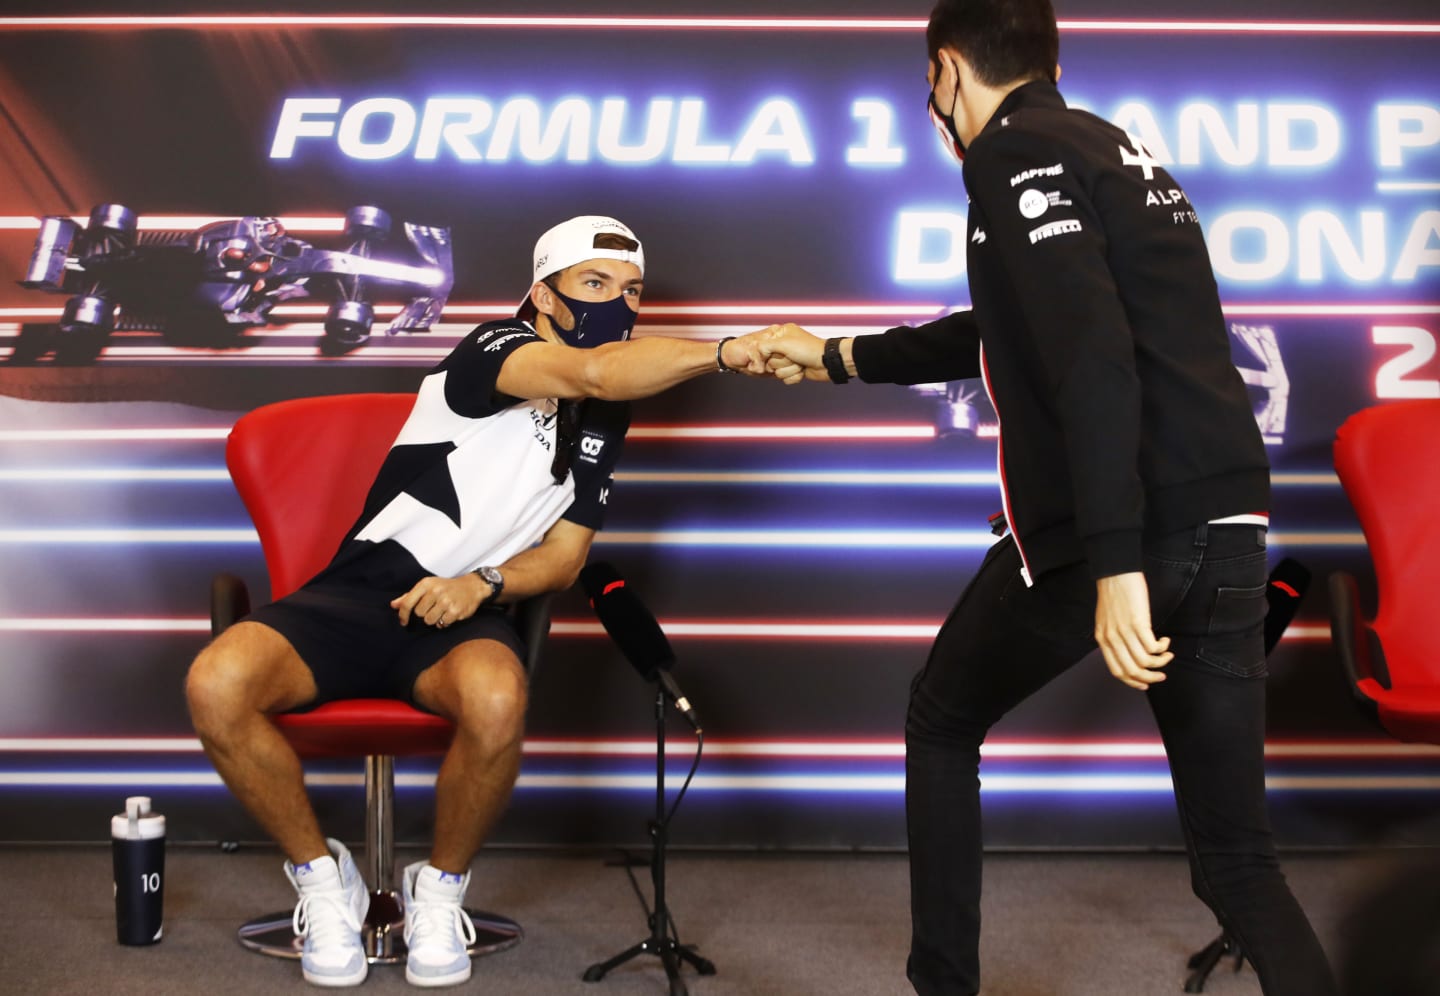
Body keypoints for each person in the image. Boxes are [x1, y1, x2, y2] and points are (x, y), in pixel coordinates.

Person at [756, 2, 1339, 994]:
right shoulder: (1111, 146)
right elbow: (1010, 323)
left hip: (1127, 532)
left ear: (945, 71)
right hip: (1231, 526)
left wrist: (1115, 565)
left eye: (932, 86)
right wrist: (838, 356)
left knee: (941, 720)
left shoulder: (1011, 153)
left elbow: (1093, 361)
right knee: (1238, 860)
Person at [186, 215, 770, 988]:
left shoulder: (605, 417)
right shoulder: (492, 348)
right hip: (356, 594)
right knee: (216, 683)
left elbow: (563, 558)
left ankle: (441, 892)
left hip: (463, 614)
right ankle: (324, 883)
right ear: (544, 295)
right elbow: (596, 373)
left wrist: (483, 585)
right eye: (595, 285)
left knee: (497, 697)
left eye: (631, 292)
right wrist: (733, 350)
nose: (618, 306)